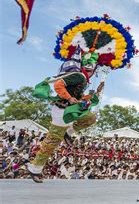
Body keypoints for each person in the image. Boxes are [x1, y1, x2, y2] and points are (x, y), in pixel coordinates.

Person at [27, 51, 103, 183]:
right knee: (51, 143)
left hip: (69, 111)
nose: (93, 71)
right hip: (62, 111)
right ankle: (35, 168)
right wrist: (69, 97)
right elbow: (58, 85)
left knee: (90, 118)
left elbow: (79, 98)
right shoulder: (79, 76)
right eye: (93, 69)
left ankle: (68, 132)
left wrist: (96, 93)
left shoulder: (82, 79)